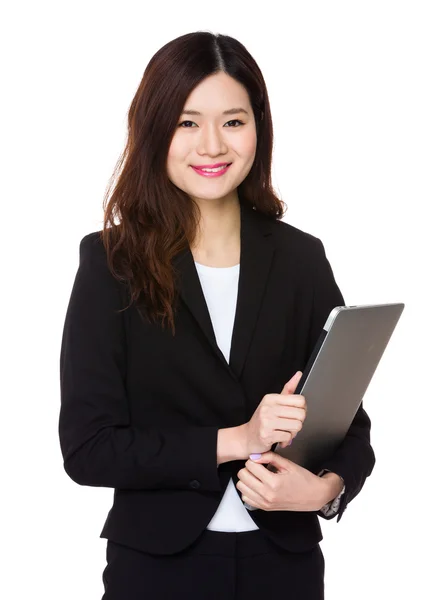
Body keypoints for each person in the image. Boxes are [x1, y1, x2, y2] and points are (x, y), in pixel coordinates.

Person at [58, 31, 375, 600]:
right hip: (156, 571)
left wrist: (322, 491)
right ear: (154, 131)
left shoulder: (301, 258)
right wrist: (237, 439)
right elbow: (89, 448)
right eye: (186, 122)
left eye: (233, 121)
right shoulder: (112, 262)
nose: (212, 145)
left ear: (259, 128)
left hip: (284, 569)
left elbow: (350, 428)